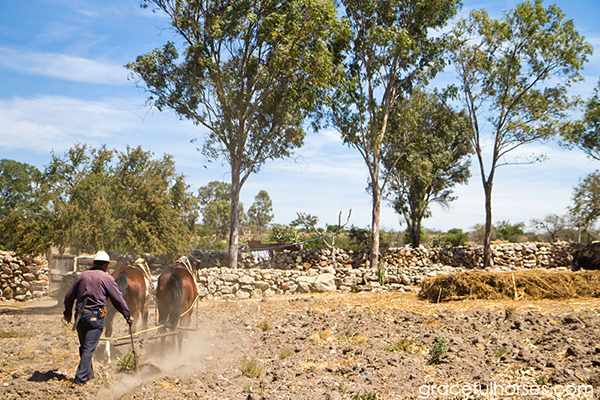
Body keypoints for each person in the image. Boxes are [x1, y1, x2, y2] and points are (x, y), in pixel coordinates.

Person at [63, 250, 133, 385]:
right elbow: (118, 299)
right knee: (89, 349)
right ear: (106, 265)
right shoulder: (107, 278)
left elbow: (69, 296)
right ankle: (80, 379)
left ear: (94, 263)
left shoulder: (82, 276)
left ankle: (89, 374)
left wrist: (67, 314)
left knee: (84, 346)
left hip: (80, 317)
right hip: (95, 316)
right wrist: (127, 315)